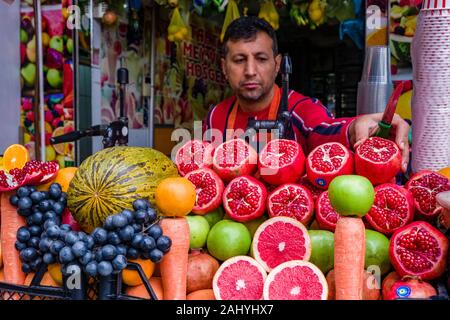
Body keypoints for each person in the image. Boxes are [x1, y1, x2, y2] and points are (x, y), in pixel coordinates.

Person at [203, 16, 410, 172]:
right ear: (224, 67)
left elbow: (325, 129)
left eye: (261, 59)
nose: (250, 70)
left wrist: (356, 127)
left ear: (277, 65)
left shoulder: (300, 109)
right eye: (239, 60)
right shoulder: (215, 117)